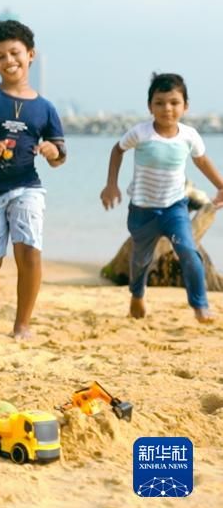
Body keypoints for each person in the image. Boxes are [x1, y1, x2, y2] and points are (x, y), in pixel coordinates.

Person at [0, 20, 66, 340]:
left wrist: (51, 151)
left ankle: (22, 324)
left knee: (30, 249)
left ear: (30, 54)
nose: (9, 61)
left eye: (15, 53)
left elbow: (61, 156)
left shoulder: (45, 108)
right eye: (0, 56)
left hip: (27, 185)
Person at [99, 73, 222, 324]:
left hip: (175, 208)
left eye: (174, 102)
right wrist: (111, 185)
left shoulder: (189, 136)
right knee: (141, 259)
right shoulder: (141, 133)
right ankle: (137, 293)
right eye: (160, 102)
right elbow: (117, 150)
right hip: (142, 210)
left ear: (185, 106)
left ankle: (200, 305)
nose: (167, 108)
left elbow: (201, 161)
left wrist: (221, 185)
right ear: (150, 106)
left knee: (188, 251)